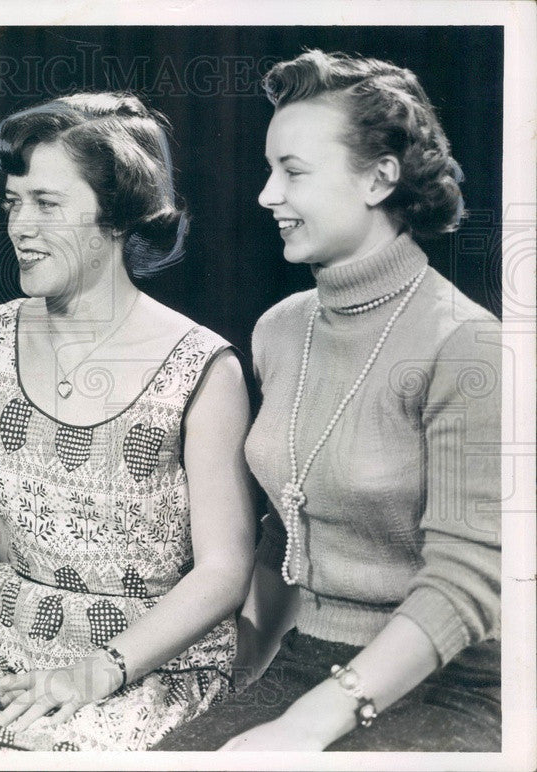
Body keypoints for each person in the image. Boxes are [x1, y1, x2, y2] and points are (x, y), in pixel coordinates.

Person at [155, 50, 501, 752]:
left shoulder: (470, 346)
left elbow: (464, 586)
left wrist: (303, 726)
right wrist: (242, 684)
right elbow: (289, 530)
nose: (266, 195)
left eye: (293, 172)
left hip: (450, 684)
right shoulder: (280, 329)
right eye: (268, 169)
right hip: (308, 661)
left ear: (379, 178)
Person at [0, 93, 256, 751]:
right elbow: (14, 532)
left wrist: (101, 667)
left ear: (118, 215)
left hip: (145, 668)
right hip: (6, 654)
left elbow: (225, 572)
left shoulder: (202, 367)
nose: (20, 226)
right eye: (14, 203)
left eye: (47, 204)